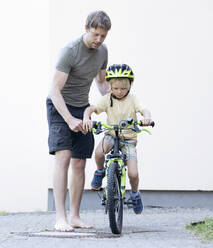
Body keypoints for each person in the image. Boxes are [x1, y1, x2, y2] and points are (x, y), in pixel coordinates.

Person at [47, 10, 111, 232]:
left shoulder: (102, 52)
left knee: (80, 161)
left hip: (82, 108)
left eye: (103, 36)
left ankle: (74, 216)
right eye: (95, 34)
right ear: (86, 29)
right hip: (59, 107)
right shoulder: (70, 51)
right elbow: (54, 90)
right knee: (63, 157)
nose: (98, 40)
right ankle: (60, 218)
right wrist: (69, 118)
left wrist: (116, 100)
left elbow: (101, 84)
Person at [82, 64, 153, 214]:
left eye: (123, 88)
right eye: (116, 88)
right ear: (110, 86)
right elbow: (92, 109)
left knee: (133, 173)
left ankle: (135, 194)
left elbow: (144, 109)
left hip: (128, 139)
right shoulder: (107, 99)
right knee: (99, 153)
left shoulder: (133, 99)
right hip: (111, 135)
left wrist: (147, 117)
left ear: (129, 87)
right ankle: (100, 171)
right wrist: (86, 117)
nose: (119, 92)